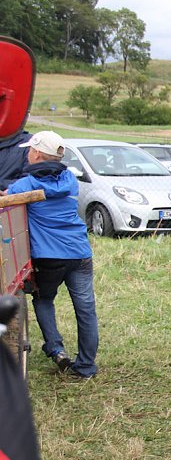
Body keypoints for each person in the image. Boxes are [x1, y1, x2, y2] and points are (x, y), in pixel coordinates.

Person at [7, 130, 99, 378]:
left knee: (43, 299)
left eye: (30, 150)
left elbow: (7, 200)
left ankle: (56, 350)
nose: (28, 154)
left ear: (37, 153)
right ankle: (86, 366)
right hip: (79, 253)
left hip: (49, 257)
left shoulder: (25, 185)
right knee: (86, 310)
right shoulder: (70, 179)